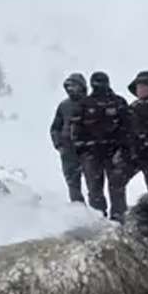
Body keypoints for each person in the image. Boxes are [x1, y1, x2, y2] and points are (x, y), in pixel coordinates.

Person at [72, 71, 131, 219]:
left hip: (114, 152)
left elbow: (128, 127)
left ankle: (119, 219)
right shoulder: (84, 104)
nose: (99, 85)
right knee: (94, 189)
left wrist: (123, 149)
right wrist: (82, 151)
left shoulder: (118, 102)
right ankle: (99, 220)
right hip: (92, 154)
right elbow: (76, 129)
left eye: (101, 81)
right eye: (96, 82)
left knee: (117, 187)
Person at [49, 73, 88, 203]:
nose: (71, 89)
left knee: (93, 185)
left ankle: (98, 214)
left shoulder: (90, 103)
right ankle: (79, 213)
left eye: (74, 85)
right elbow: (55, 128)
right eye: (69, 86)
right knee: (73, 183)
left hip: (88, 150)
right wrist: (59, 144)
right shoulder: (64, 106)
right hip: (68, 150)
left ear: (82, 87)